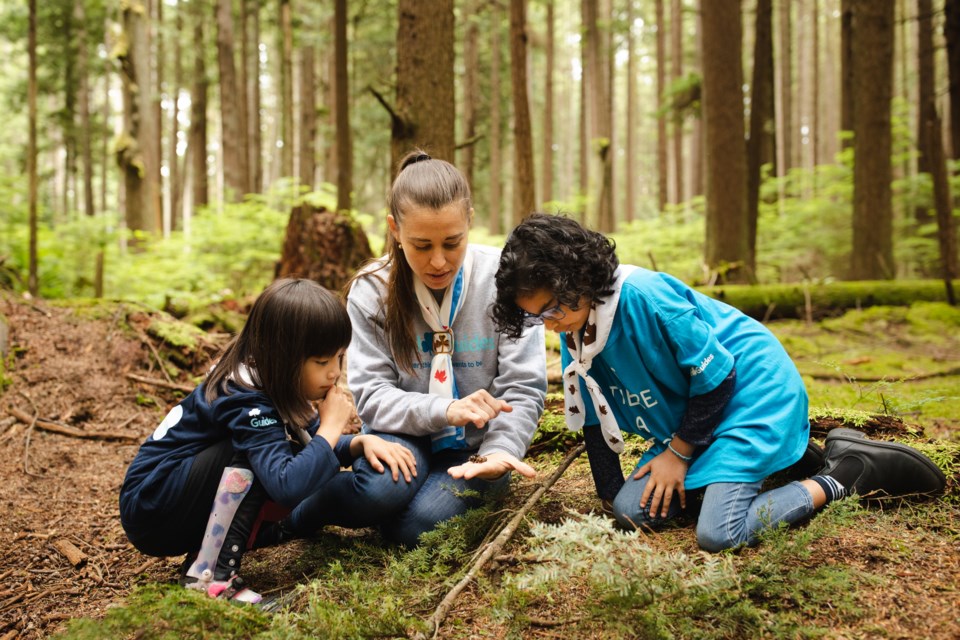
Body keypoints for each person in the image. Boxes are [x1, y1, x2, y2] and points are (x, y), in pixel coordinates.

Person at [492, 213, 946, 552]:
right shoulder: (575, 328)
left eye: (552, 309)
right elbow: (592, 419)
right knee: (634, 512)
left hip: (750, 395)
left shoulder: (646, 298)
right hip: (695, 419)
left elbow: (719, 375)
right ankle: (782, 464)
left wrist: (677, 453)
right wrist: (611, 500)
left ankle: (846, 474)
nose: (547, 324)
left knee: (719, 534)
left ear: (579, 277)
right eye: (534, 316)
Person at [280, 151, 547, 548]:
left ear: (470, 220)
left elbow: (523, 387)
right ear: (394, 229)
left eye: (452, 243)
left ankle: (400, 509)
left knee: (414, 528)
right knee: (379, 490)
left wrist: (500, 451)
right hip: (404, 435)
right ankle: (298, 516)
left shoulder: (504, 281)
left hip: (480, 446)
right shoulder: (372, 290)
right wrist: (445, 410)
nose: (438, 261)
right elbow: (371, 396)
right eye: (421, 245)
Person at [119, 279, 416, 603]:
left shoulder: (272, 380)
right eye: (321, 362)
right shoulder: (244, 396)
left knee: (279, 453)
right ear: (283, 357)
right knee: (263, 460)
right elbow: (286, 483)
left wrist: (357, 444)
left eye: (338, 359)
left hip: (175, 498)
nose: (333, 373)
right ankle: (210, 577)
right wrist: (330, 429)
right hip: (154, 505)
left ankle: (231, 545)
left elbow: (307, 439)